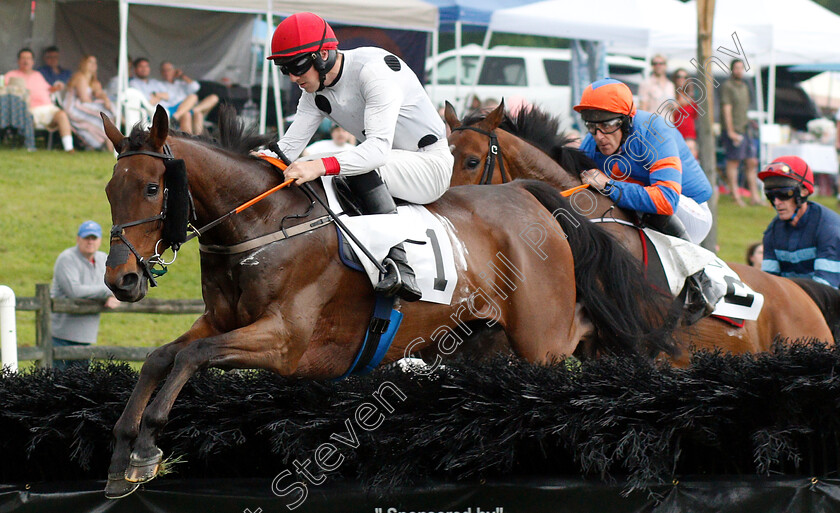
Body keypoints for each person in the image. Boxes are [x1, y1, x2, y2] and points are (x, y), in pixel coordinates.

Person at [266, 12, 453, 302]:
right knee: (324, 164)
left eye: (297, 66)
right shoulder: (314, 91)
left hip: (428, 165)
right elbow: (287, 149)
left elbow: (376, 151)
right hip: (388, 162)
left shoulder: (372, 70)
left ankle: (400, 264)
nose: (292, 77)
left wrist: (318, 166)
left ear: (324, 55)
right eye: (284, 68)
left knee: (338, 163)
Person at [576, 78, 713, 245]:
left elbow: (666, 201)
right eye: (591, 125)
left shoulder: (655, 131)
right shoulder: (592, 142)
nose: (599, 136)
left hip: (689, 211)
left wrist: (609, 186)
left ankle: (692, 268)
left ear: (626, 121)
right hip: (646, 209)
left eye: (607, 125)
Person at [759, 156, 840, 287]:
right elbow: (768, 283)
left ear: (804, 191)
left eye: (784, 194)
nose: (777, 202)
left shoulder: (828, 228)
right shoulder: (771, 232)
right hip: (795, 302)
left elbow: (826, 289)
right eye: (771, 196)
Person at [50, 221, 120, 370]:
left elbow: (118, 284)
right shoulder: (66, 259)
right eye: (86, 237)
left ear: (100, 240)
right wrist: (107, 291)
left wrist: (114, 295)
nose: (90, 242)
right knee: (55, 386)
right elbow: (74, 291)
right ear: (78, 239)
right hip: (60, 337)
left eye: (94, 238)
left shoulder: (103, 259)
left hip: (86, 338)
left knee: (79, 385)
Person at [4, 48, 74, 152]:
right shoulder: (11, 75)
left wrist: (56, 87)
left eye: (28, 58)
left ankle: (69, 148)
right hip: (28, 110)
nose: (26, 61)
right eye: (23, 58)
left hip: (47, 108)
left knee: (62, 115)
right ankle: (28, 144)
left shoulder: (37, 75)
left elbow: (48, 89)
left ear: (33, 62)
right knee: (28, 116)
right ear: (18, 61)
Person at [721, 59, 760, 207]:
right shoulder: (727, 86)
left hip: (745, 128)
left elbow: (743, 108)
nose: (739, 71)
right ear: (732, 70)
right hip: (734, 130)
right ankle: (735, 195)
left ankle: (755, 196)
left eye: (741, 68)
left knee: (751, 161)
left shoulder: (744, 86)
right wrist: (730, 131)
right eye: (736, 68)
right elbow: (727, 109)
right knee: (733, 163)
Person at [64, 55, 114, 151]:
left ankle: (110, 145)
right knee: (104, 114)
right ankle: (109, 146)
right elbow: (84, 99)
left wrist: (105, 99)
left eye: (95, 63)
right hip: (74, 107)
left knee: (107, 111)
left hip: (84, 105)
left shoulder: (93, 81)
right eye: (90, 62)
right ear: (84, 64)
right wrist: (99, 101)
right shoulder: (80, 77)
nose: (93, 65)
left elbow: (100, 93)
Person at [158, 61, 219, 134]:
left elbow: (196, 87)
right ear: (161, 72)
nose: (166, 72)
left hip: (189, 108)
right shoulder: (159, 84)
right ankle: (178, 119)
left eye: (169, 70)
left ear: (174, 71)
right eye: (164, 71)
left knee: (213, 97)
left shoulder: (181, 83)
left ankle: (190, 113)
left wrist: (182, 76)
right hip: (177, 109)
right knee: (193, 103)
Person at [672, 68, 698, 159]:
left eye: (685, 77)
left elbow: (696, 116)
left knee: (691, 162)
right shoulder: (671, 93)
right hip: (676, 133)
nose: (681, 79)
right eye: (679, 77)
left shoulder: (692, 97)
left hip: (690, 135)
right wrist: (679, 103)